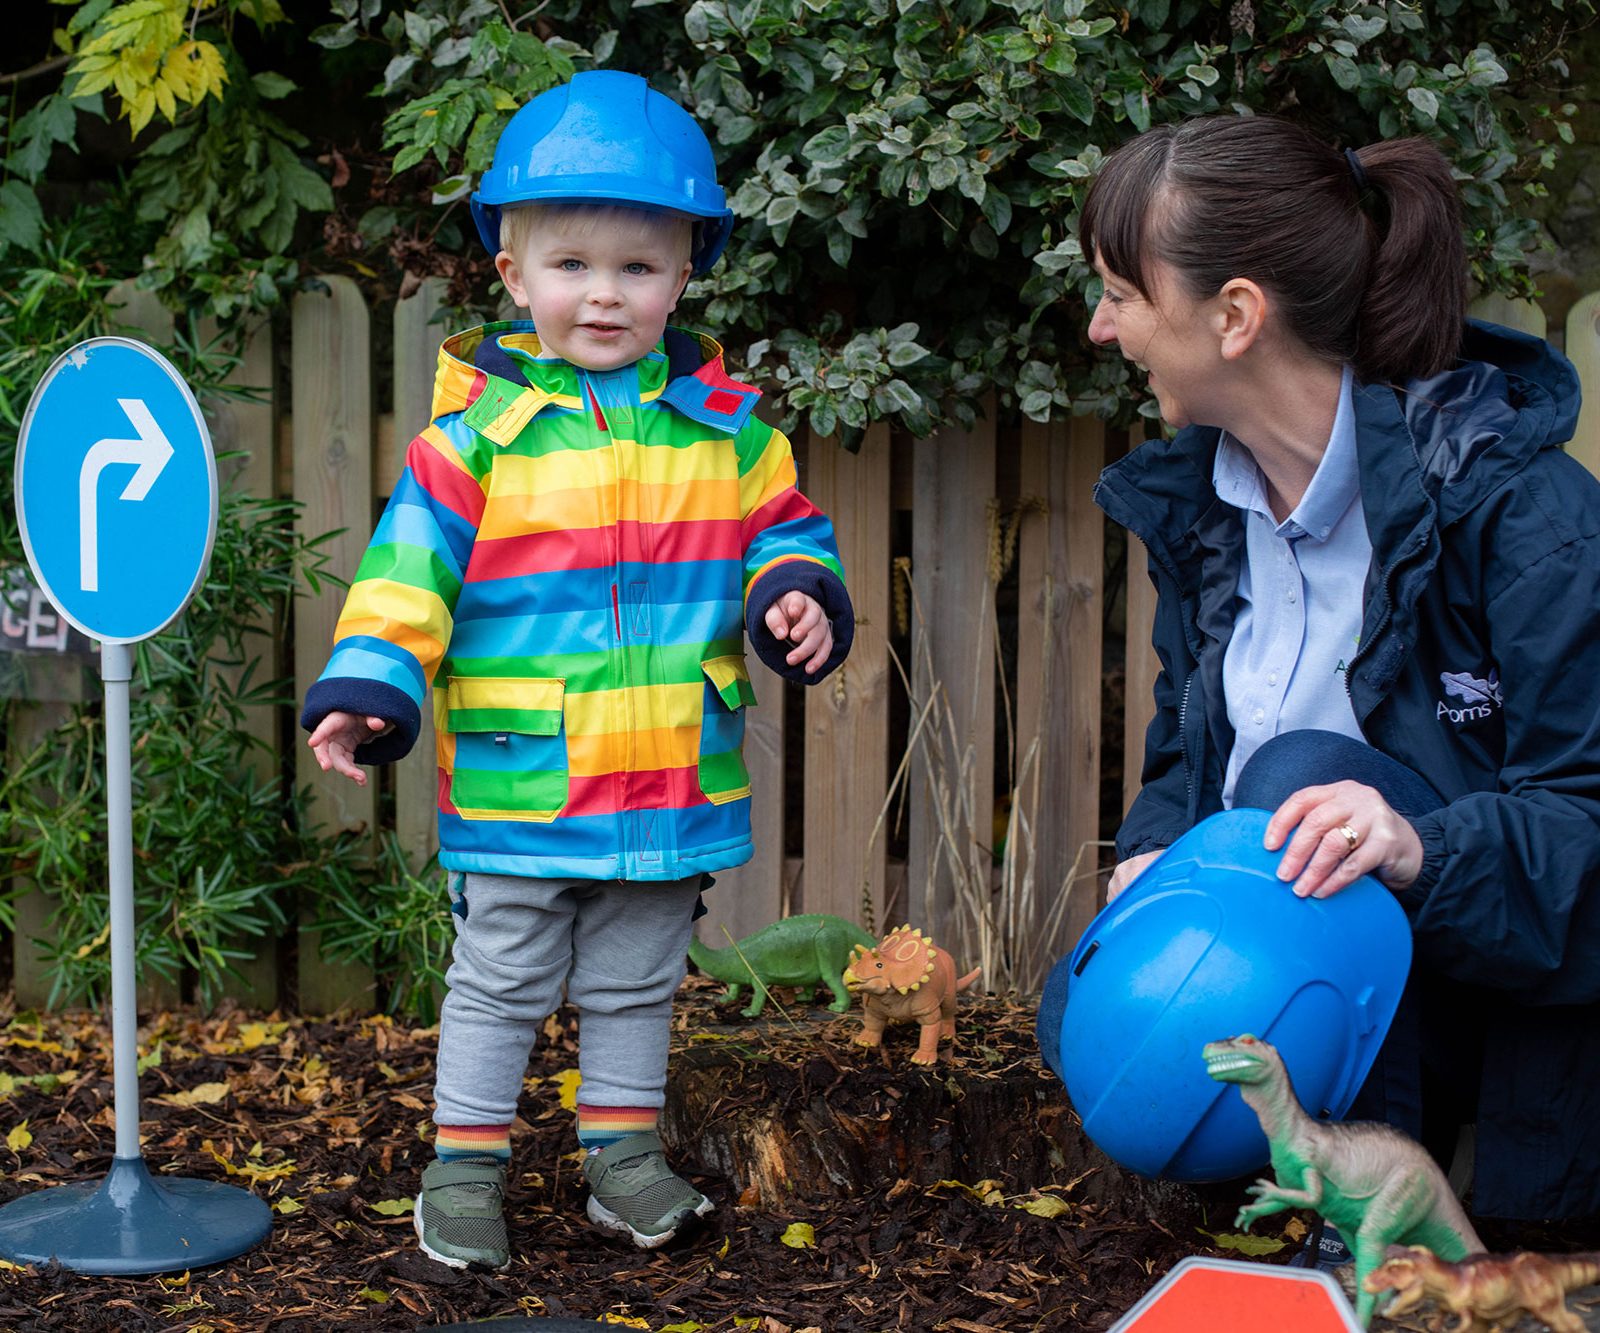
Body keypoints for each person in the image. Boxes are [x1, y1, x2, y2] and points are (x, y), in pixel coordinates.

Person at [301, 70, 854, 1270]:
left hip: (665, 780)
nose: (604, 293)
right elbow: (405, 579)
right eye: (572, 265)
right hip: (523, 780)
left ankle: (622, 1158)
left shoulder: (734, 438)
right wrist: (369, 683)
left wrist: (794, 593)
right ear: (511, 274)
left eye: (637, 268)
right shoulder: (469, 445)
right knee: (497, 982)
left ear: (685, 273)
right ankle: (463, 1167)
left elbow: (788, 532)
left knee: (635, 981)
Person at [1081, 114, 1600, 1230]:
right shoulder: (1209, 517)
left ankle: (1378, 1227)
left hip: (1506, 1030)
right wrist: (1152, 854)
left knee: (1305, 778)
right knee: (1074, 1012)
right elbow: (1185, 756)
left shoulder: (1526, 518)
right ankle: (1296, 1217)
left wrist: (1414, 845)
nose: (1099, 326)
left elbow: (1583, 815)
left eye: (1121, 292)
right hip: (1328, 1003)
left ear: (1233, 317)